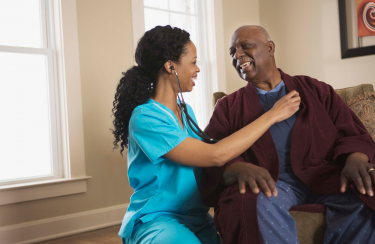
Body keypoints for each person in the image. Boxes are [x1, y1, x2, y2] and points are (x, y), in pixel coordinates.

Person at [111, 25, 300, 244]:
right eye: (193, 62)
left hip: (197, 219)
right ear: (170, 66)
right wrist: (273, 115)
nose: (198, 69)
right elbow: (214, 155)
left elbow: (205, 164)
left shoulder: (186, 112)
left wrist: (240, 168)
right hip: (158, 219)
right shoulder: (146, 118)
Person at [201, 25, 375, 244]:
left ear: (270, 48)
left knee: (367, 194)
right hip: (272, 183)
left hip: (325, 177)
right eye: (232, 52)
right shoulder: (228, 107)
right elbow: (211, 156)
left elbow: (351, 132)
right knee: (248, 202)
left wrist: (356, 158)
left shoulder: (317, 90)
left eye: (245, 46)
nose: (237, 55)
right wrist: (237, 168)